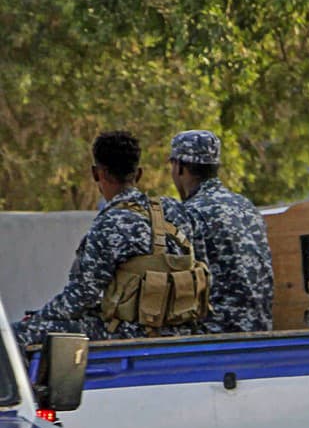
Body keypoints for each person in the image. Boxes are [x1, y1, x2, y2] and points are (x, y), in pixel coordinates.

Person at [14, 130, 209, 346]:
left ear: (97, 174)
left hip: (131, 334)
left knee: (18, 335)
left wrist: (38, 317)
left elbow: (81, 296)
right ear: (139, 174)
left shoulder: (110, 223)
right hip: (183, 331)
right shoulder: (175, 210)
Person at [166, 130, 274, 333]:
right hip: (261, 329)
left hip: (216, 335)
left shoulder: (190, 213)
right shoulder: (246, 206)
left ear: (179, 167)